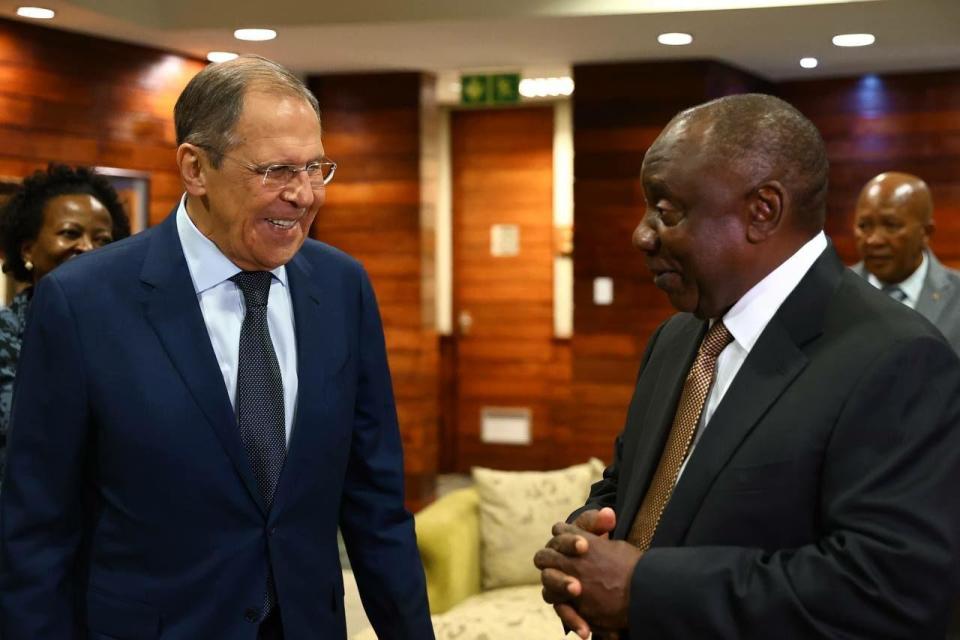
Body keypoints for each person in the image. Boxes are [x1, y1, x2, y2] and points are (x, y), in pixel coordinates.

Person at [0, 55, 434, 640]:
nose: (304, 195)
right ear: (195, 168)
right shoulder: (81, 303)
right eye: (277, 170)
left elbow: (375, 504)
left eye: (315, 168)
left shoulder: (342, 287)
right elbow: (37, 528)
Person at [534, 94, 960, 639]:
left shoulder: (898, 358)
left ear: (762, 211)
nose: (641, 234)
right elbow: (627, 485)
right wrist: (582, 545)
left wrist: (645, 589)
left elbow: (887, 591)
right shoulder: (677, 336)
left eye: (667, 212)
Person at [0, 163, 130, 483]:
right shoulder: (6, 336)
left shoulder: (131, 341)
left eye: (103, 239)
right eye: (70, 233)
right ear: (27, 248)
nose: (87, 248)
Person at [851, 171, 960, 352]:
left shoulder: (956, 296)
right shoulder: (832, 292)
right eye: (864, 226)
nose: (874, 240)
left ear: (926, 232)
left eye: (891, 225)